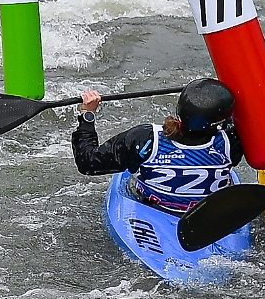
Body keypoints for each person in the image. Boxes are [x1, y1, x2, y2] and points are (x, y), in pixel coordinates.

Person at [70, 78, 242, 214]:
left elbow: (88, 163)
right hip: (207, 214)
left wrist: (88, 115)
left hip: (153, 207)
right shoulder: (231, 140)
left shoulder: (146, 139)